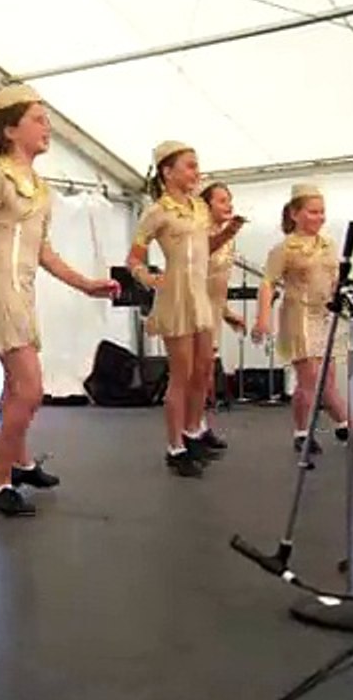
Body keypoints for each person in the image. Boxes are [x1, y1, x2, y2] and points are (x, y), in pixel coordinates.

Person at [0, 84, 119, 517]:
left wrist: (87, 284)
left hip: (23, 287)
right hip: (0, 287)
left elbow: (44, 252)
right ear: (11, 130)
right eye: (37, 119)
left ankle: (19, 463)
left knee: (16, 387)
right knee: (31, 389)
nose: (46, 127)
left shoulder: (41, 188)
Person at [125, 142, 244, 478]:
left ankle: (193, 431)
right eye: (189, 166)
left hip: (199, 294)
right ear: (168, 171)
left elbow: (205, 248)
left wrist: (229, 232)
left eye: (196, 165)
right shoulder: (156, 212)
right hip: (176, 295)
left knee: (203, 369)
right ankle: (174, 446)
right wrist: (149, 277)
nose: (196, 172)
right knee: (182, 373)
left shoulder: (199, 208)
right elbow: (133, 258)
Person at [252, 183, 353, 454]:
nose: (319, 217)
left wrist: (345, 296)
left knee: (327, 378)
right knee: (311, 378)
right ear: (294, 214)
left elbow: (334, 279)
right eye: (313, 212)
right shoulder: (284, 248)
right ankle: (314, 430)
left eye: (322, 212)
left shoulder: (328, 244)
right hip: (298, 315)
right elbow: (267, 283)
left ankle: (338, 425)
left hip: (324, 315)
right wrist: (263, 319)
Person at [197, 181, 247, 449]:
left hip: (213, 311)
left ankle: (199, 426)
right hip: (193, 308)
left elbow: (219, 283)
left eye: (230, 200)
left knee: (204, 374)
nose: (229, 205)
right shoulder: (198, 233)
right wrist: (229, 232)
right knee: (197, 375)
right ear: (207, 206)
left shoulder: (228, 240)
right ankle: (190, 430)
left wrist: (227, 313)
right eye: (222, 200)